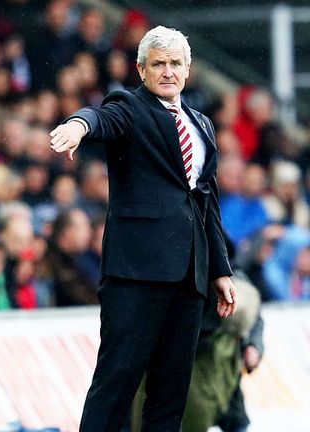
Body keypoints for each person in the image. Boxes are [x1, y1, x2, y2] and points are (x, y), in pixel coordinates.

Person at [48, 25, 237, 431]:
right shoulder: (131, 108)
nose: (167, 71)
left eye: (175, 63)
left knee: (171, 391)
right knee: (117, 381)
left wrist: (220, 270)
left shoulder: (201, 123)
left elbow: (207, 201)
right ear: (141, 69)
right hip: (136, 274)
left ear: (188, 69)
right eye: (158, 64)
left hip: (190, 275)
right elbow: (100, 116)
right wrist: (78, 126)